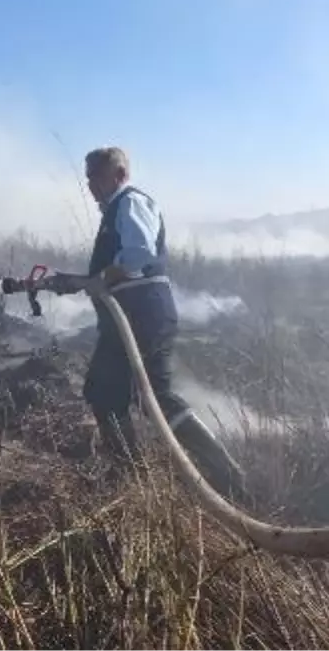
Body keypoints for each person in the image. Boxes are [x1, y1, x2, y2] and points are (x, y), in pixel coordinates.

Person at [74, 146, 247, 502]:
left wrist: (104, 275)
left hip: (140, 314)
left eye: (96, 175)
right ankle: (132, 476)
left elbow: (140, 252)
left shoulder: (131, 203)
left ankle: (217, 474)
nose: (89, 183)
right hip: (133, 314)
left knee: (139, 395)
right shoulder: (114, 211)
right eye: (87, 176)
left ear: (119, 175)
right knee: (118, 394)